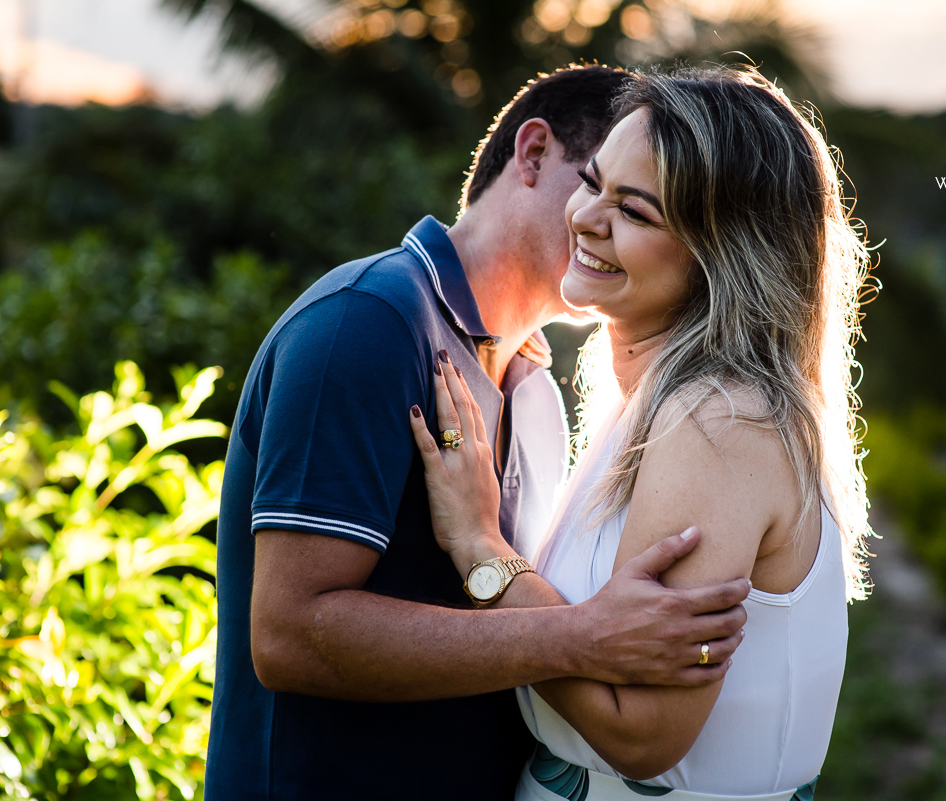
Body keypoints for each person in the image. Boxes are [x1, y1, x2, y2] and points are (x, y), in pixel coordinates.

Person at [205, 65, 752, 801]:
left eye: (645, 210)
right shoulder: (367, 325)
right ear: (531, 154)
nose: (605, 223)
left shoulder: (534, 378)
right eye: (596, 185)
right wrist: (587, 633)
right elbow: (289, 634)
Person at [408, 66, 873, 800]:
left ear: (722, 256)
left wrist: (480, 547)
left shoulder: (723, 419)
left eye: (636, 211)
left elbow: (643, 734)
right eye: (591, 182)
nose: (587, 217)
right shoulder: (647, 401)